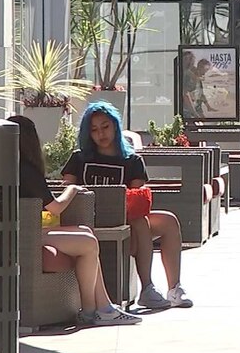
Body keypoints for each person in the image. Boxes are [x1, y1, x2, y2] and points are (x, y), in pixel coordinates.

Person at [10, 115, 141, 326]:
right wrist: (72, 189)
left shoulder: (7, 167)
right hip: (25, 234)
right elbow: (56, 206)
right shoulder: (26, 170)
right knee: (88, 243)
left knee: (86, 233)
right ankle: (92, 310)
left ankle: (102, 308)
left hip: (21, 230)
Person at [61, 102, 193, 310]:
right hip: (86, 217)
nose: (101, 134)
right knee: (141, 223)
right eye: (94, 130)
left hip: (124, 220)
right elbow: (66, 189)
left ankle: (170, 289)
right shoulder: (79, 158)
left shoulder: (132, 161)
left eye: (105, 126)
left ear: (115, 126)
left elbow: (137, 200)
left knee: (163, 220)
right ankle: (148, 286)